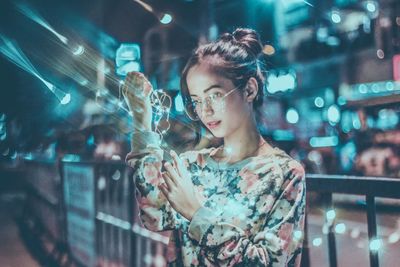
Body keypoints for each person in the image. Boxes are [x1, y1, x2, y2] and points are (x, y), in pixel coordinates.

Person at [123, 28, 306, 266]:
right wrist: (141, 121)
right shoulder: (192, 164)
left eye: (215, 95)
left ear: (249, 90)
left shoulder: (285, 175)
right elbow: (155, 215)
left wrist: (197, 214)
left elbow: (270, 262)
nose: (205, 111)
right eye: (197, 101)